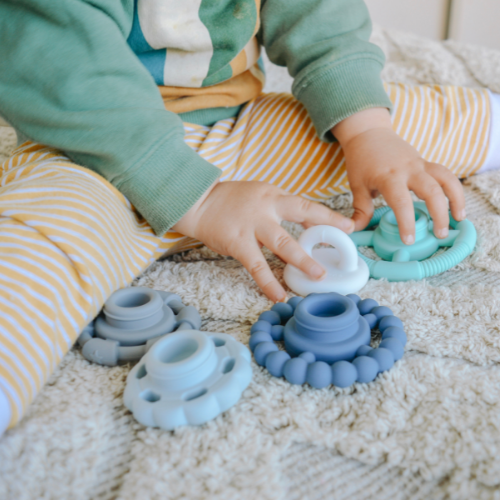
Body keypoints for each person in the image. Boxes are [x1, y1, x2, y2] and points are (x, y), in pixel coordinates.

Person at [0, 0, 498, 434]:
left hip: (236, 127)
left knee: (384, 132)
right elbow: (60, 66)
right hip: (94, 151)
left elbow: (321, 19)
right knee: (39, 251)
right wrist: (201, 199)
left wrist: (366, 132)